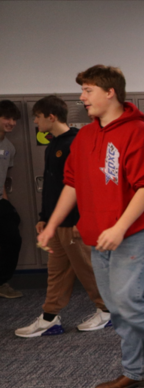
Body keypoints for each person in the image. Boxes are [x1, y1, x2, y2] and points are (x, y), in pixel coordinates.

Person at [38, 66, 144, 388]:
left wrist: (120, 227)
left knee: (130, 301)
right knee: (117, 307)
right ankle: (137, 371)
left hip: (134, 232)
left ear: (110, 93)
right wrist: (52, 224)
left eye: (88, 90)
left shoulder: (138, 132)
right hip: (99, 237)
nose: (82, 98)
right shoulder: (84, 137)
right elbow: (72, 185)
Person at [15, 96, 110, 337]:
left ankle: (109, 311)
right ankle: (49, 318)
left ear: (51, 117)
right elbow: (52, 186)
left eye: (37, 117)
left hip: (74, 222)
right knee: (56, 273)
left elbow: (86, 185)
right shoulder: (53, 145)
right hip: (56, 223)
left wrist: (83, 219)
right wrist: (44, 217)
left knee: (88, 269)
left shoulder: (76, 143)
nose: (35, 122)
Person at [0, 99, 23, 299]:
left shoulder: (9, 147)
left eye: (14, 119)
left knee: (12, 239)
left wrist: (6, 201)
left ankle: (2, 282)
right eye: (7, 118)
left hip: (0, 202)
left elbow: (4, 176)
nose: (12, 122)